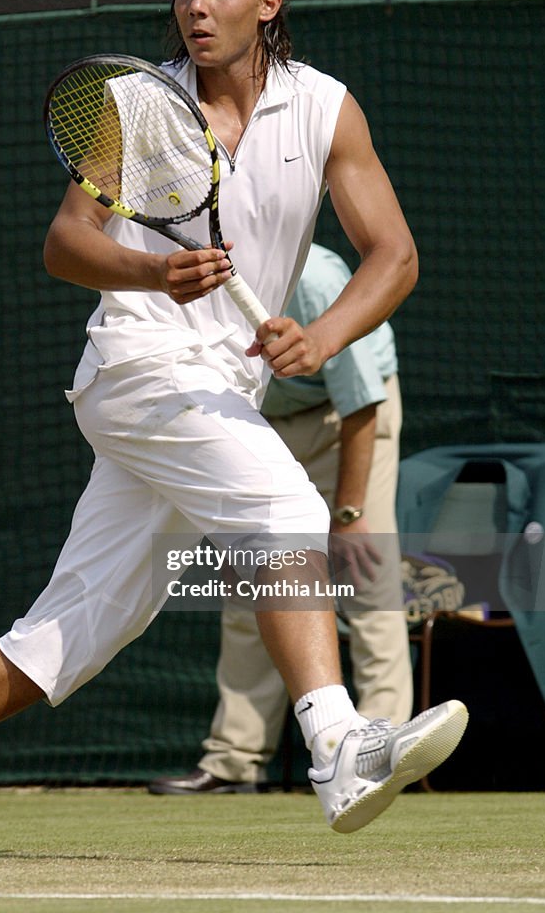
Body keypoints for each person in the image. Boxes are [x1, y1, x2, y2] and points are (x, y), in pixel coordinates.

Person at [0, 0, 467, 863]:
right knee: (285, 508)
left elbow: (395, 255)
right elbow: (66, 245)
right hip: (137, 368)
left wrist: (322, 333)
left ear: (269, 4)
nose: (195, 8)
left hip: (220, 390)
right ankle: (338, 744)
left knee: (59, 646)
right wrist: (152, 276)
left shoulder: (326, 110)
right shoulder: (135, 107)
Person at [149, 243, 413, 795]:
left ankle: (386, 751)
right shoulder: (188, 278)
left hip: (349, 418)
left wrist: (349, 515)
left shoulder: (317, 278)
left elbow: (362, 402)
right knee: (255, 581)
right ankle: (234, 760)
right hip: (265, 421)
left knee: (364, 576)